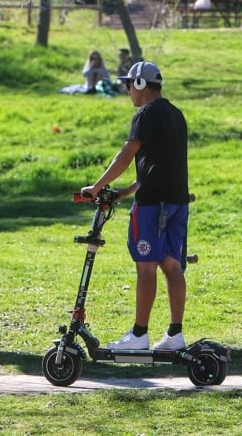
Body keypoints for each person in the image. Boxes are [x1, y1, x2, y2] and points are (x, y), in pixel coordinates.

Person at [80, 61, 191, 352]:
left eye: (129, 84)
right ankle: (175, 335)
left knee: (146, 268)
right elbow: (159, 167)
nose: (127, 90)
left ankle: (139, 335)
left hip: (152, 207)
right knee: (171, 265)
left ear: (140, 85)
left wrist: (95, 187)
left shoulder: (146, 114)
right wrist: (125, 191)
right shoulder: (176, 114)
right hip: (177, 202)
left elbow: (125, 156)